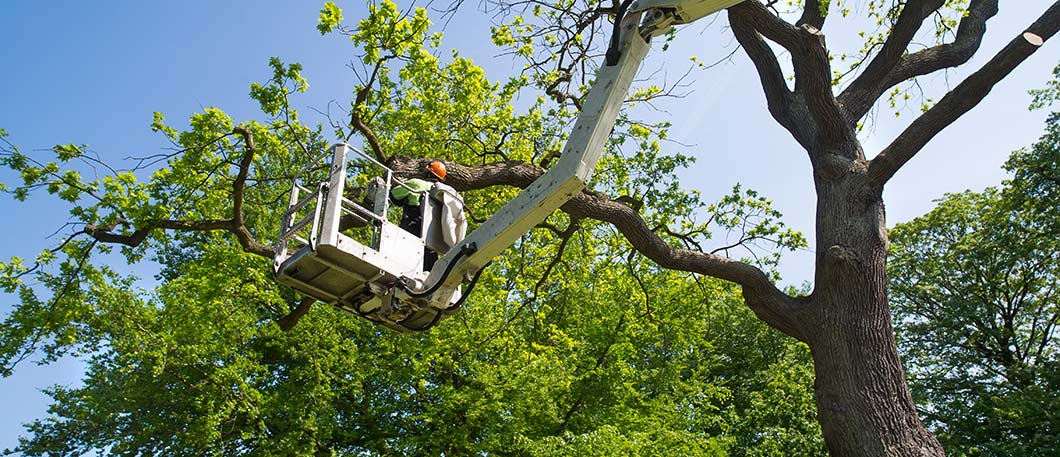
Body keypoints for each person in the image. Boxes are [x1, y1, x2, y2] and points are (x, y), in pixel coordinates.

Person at [390, 160, 465, 270]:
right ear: (442, 178)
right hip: (432, 245)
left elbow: (393, 196)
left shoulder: (417, 183)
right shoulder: (444, 196)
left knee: (399, 268)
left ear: (426, 172)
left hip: (411, 233)